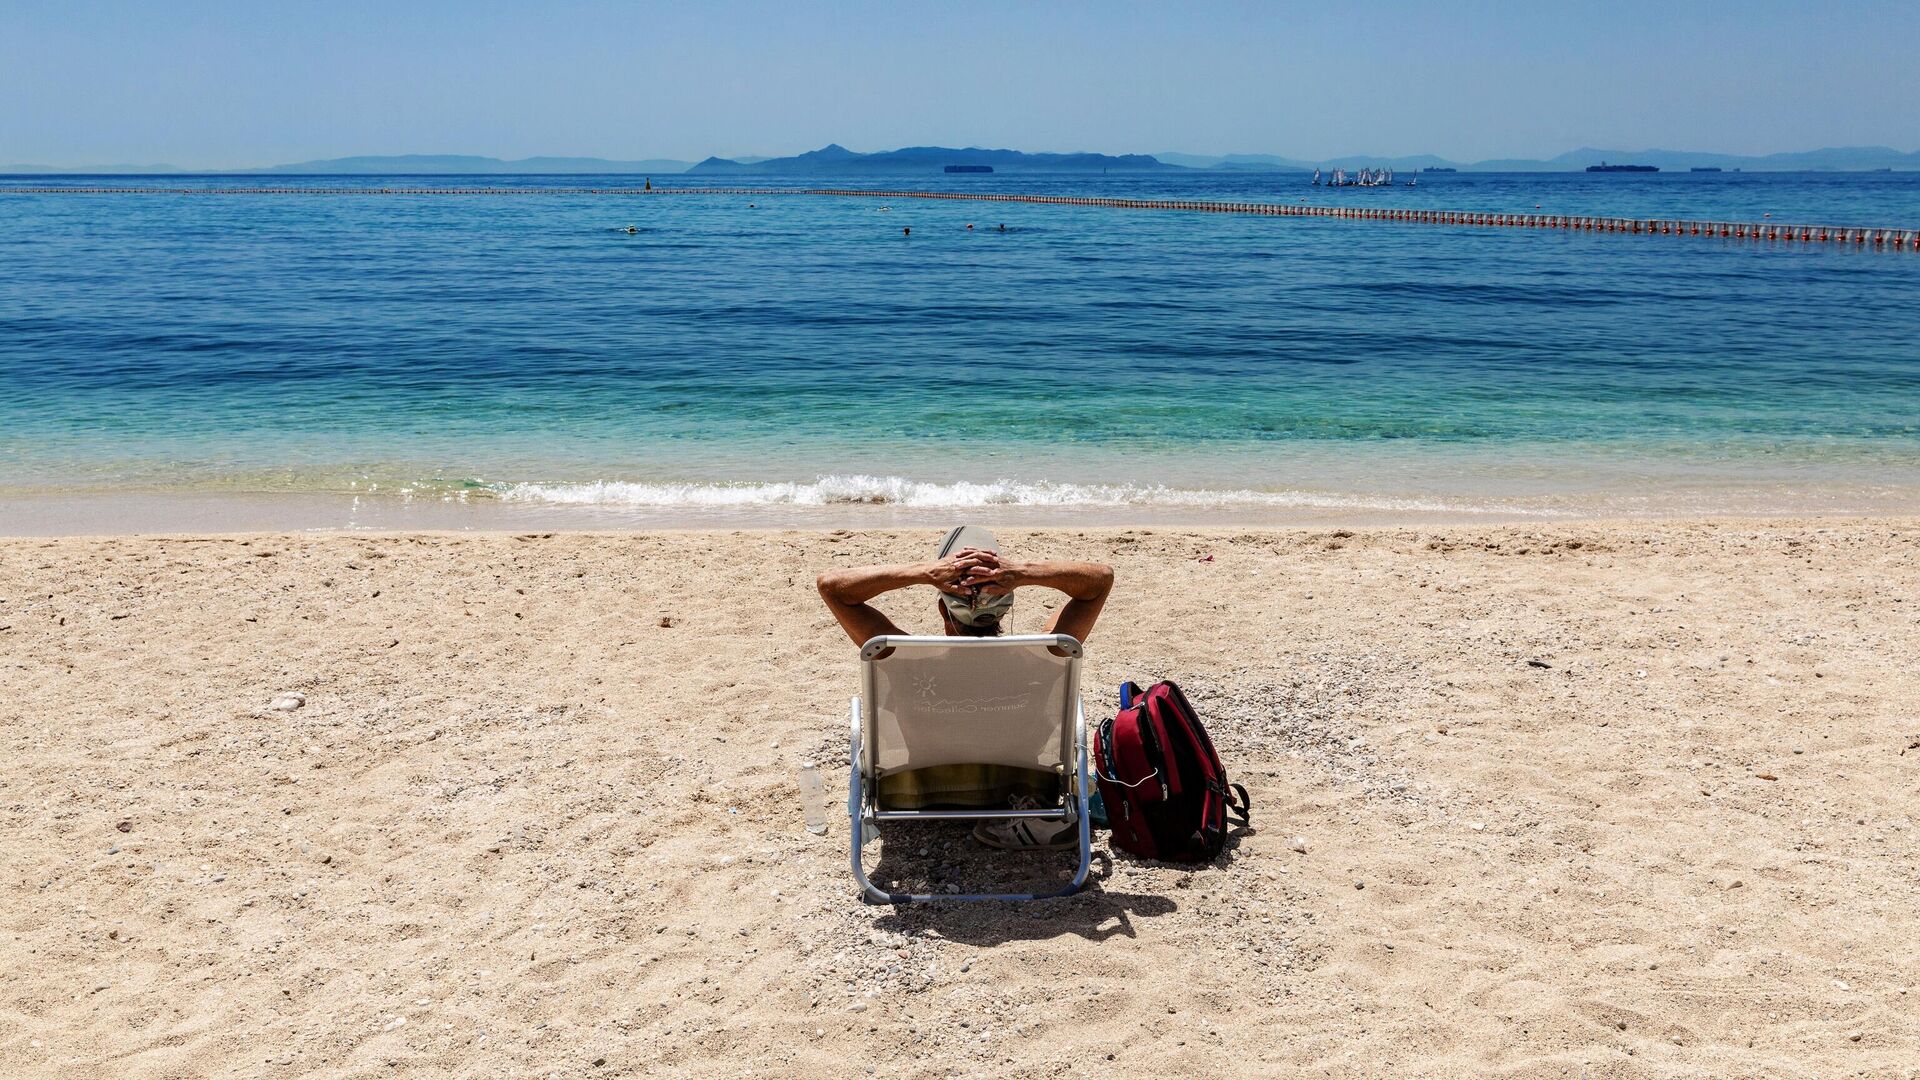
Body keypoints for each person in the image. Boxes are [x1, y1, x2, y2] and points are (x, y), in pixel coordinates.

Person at [818, 526, 1114, 849]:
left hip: (918, 797)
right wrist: (1020, 571)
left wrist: (924, 573)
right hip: (1014, 793)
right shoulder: (1040, 657)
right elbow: (1100, 581)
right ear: (1005, 609)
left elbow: (831, 587)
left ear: (942, 609)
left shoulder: (904, 659)